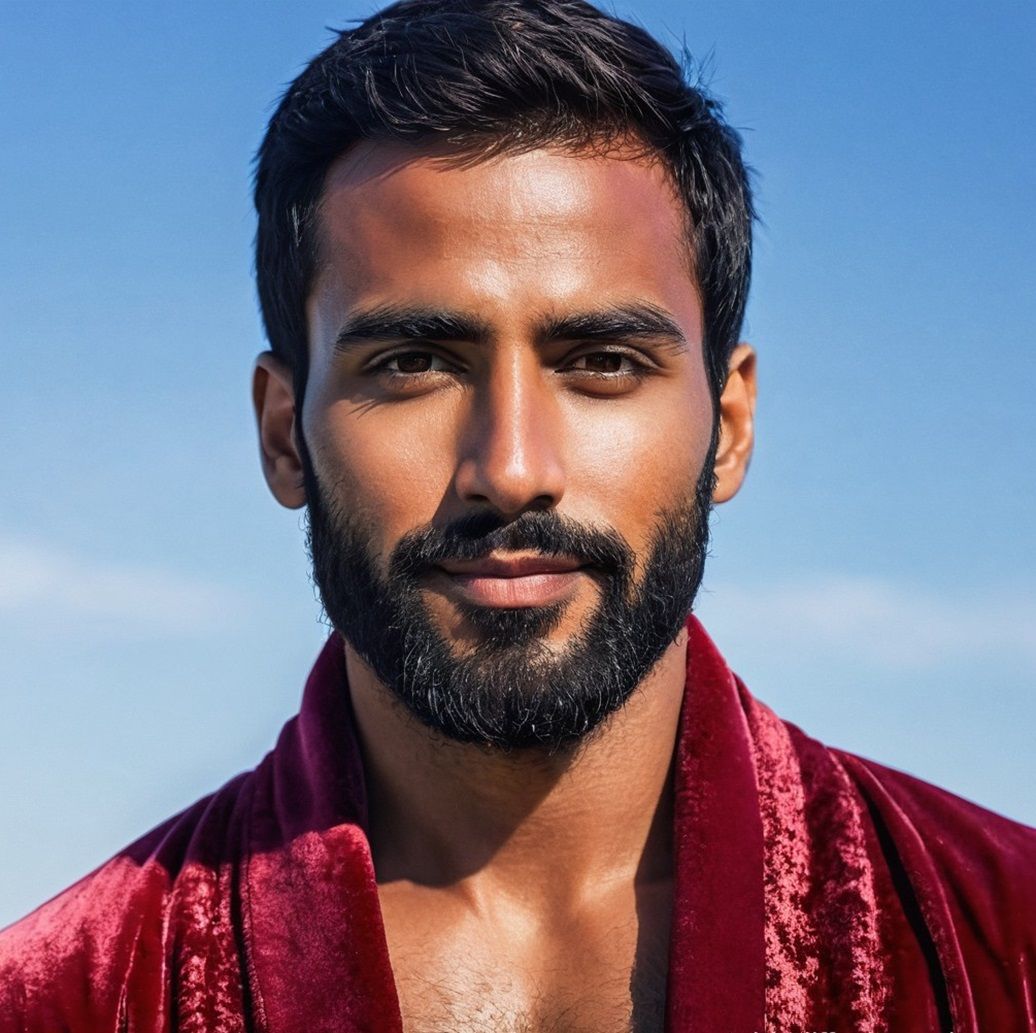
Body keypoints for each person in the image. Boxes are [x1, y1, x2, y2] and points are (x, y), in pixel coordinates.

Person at [2, 0, 1034, 1029]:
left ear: (726, 425)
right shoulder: (62, 1000)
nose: (509, 467)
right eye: (412, 364)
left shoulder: (1009, 948)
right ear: (283, 434)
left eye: (601, 364)